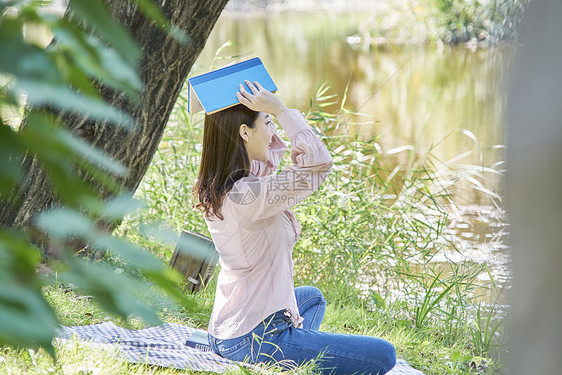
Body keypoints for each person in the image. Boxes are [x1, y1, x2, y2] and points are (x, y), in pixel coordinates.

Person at [193, 80, 396, 374]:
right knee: (383, 355)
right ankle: (292, 352)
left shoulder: (229, 185)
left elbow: (269, 159)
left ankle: (297, 351)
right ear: (244, 132)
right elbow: (317, 165)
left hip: (230, 328)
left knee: (312, 297)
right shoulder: (247, 194)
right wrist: (281, 110)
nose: (274, 130)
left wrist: (264, 115)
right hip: (256, 338)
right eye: (268, 123)